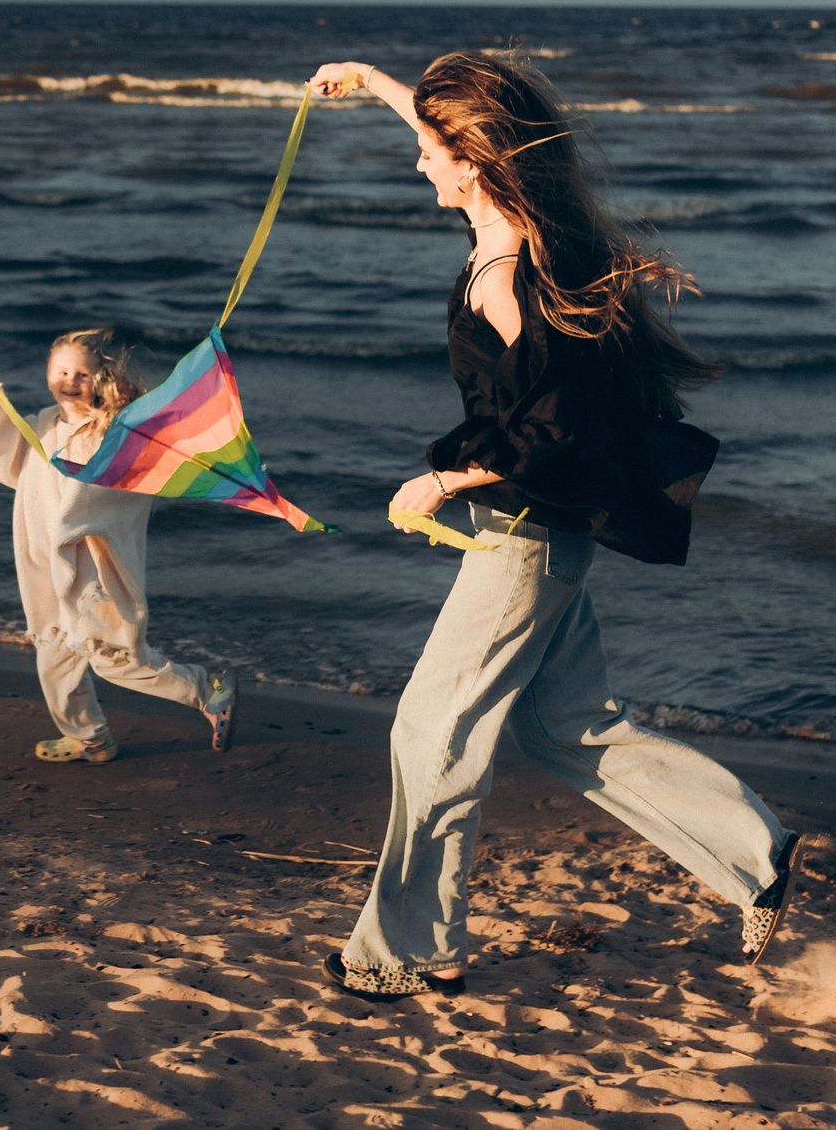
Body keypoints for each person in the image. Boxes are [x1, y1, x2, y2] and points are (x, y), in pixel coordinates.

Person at [304, 51, 803, 1002]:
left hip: (524, 537)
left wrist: (441, 479)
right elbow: (450, 123)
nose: (417, 162)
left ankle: (409, 948)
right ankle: (758, 852)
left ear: (475, 160)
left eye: (429, 149)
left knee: (431, 728)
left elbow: (552, 428)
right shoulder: (514, 224)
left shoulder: (508, 274)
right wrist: (373, 83)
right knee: (565, 725)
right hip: (547, 533)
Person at [0, 328, 237, 764]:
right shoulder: (47, 421)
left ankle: (207, 690)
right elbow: (13, 458)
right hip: (47, 560)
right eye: (61, 371)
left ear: (100, 378)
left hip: (91, 569)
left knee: (112, 657)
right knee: (54, 656)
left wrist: (74, 520)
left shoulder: (110, 434)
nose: (70, 380)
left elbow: (117, 494)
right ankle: (90, 736)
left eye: (81, 374)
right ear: (47, 373)